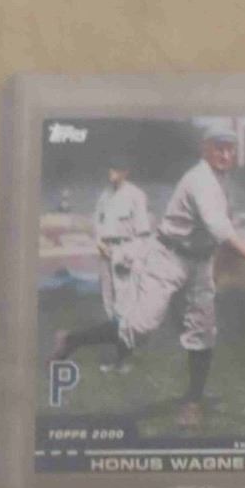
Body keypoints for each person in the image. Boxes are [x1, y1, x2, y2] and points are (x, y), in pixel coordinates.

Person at [51, 126, 245, 431]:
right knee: (138, 328)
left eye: (230, 149)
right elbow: (221, 230)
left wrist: (217, 267)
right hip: (168, 257)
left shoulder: (220, 179)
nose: (226, 154)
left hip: (199, 263)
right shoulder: (199, 180)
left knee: (202, 332)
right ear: (205, 149)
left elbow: (218, 229)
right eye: (219, 148)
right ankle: (71, 339)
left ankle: (193, 402)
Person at [91, 156, 153, 374]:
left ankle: (124, 358)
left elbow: (143, 234)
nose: (112, 172)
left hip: (125, 251)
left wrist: (131, 257)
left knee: (124, 306)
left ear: (126, 172)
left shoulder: (136, 195)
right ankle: (115, 355)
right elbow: (97, 222)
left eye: (116, 169)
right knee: (109, 303)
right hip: (105, 251)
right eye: (110, 168)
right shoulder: (105, 195)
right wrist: (99, 243)